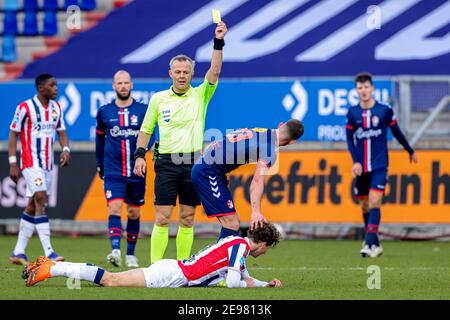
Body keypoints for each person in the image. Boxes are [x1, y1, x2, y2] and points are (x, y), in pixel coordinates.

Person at [133, 21, 228, 264]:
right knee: (162, 217)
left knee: (187, 218)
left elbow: (215, 71)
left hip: (193, 163)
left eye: (186, 71)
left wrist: (218, 41)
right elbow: (145, 130)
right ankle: (155, 267)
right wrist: (139, 155)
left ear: (191, 74)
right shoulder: (158, 99)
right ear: (171, 73)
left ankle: (184, 267)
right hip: (166, 162)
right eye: (178, 71)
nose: (182, 75)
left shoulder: (201, 95)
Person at [24, 221, 282, 289]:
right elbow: (235, 283)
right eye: (269, 248)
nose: (267, 253)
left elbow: (244, 278)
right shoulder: (240, 247)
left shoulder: (237, 245)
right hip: (172, 275)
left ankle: (51, 266)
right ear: (263, 243)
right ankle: (53, 268)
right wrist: (251, 286)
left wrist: (265, 285)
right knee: (110, 280)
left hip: (174, 271)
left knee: (111, 280)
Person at [191, 120, 304, 240]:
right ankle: (218, 258)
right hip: (208, 172)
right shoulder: (270, 149)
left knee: (232, 223)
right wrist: (256, 212)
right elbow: (257, 181)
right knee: (231, 224)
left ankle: (224, 257)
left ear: (280, 125)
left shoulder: (260, 130)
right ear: (292, 142)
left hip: (208, 167)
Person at [345, 72, 417, 258]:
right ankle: (375, 243)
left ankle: (368, 244)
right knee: (364, 205)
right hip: (362, 168)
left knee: (375, 200)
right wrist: (356, 162)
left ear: (372, 88)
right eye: (360, 88)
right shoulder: (352, 113)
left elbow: (397, 132)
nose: (363, 91)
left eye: (366, 87)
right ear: (357, 90)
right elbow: (350, 140)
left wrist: (410, 150)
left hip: (379, 164)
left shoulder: (384, 110)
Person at [8, 73, 70, 265]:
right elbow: (13, 134)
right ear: (41, 88)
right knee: (41, 198)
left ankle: (18, 252)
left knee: (33, 205)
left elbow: (61, 132)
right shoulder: (25, 107)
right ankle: (49, 252)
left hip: (47, 164)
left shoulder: (56, 108)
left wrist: (66, 149)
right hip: (30, 161)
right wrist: (12, 162)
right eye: (52, 85)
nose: (56, 88)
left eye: (57, 85)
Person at [95, 70, 149, 268]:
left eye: (126, 83)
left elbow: (150, 135)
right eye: (119, 83)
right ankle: (115, 251)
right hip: (113, 170)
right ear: (114, 86)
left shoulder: (143, 110)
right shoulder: (104, 112)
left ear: (132, 85)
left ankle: (131, 254)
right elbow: (99, 140)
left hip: (137, 171)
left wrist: (143, 155)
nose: (123, 86)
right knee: (114, 207)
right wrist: (99, 163)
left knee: (133, 213)